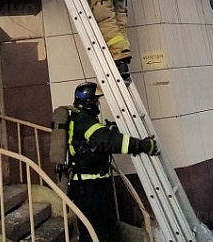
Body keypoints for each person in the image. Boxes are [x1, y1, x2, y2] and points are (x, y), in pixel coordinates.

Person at [67, 82, 160, 242]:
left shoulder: (81, 119)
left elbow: (97, 141)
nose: (97, 104)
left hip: (92, 186)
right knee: (95, 233)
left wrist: (109, 130)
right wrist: (140, 145)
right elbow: (106, 141)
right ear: (88, 101)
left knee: (105, 228)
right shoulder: (84, 121)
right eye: (96, 101)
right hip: (90, 189)